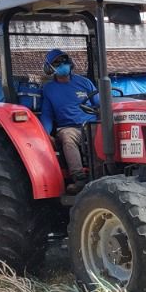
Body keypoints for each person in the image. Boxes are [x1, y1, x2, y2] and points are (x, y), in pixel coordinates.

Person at [38, 48, 99, 192]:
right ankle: (79, 178)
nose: (62, 64)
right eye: (57, 63)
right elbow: (47, 114)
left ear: (70, 63)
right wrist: (45, 135)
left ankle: (106, 172)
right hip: (69, 127)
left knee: (103, 133)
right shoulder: (49, 89)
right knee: (67, 137)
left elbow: (99, 104)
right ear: (50, 68)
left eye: (64, 60)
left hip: (91, 124)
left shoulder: (84, 82)